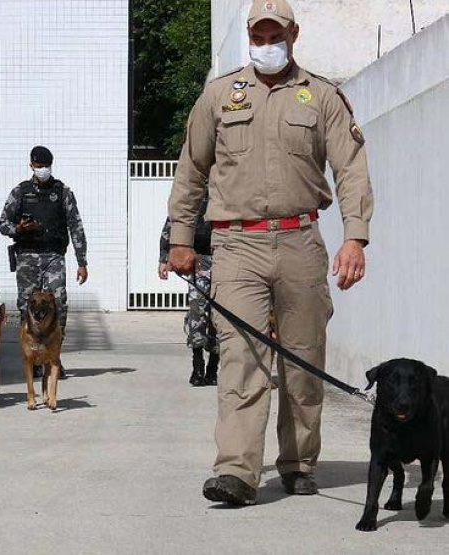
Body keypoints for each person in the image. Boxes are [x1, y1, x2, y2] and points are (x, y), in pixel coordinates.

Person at [166, 0, 374, 505]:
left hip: (301, 240)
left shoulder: (321, 97)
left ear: (293, 34)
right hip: (236, 244)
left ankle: (300, 462)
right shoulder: (218, 97)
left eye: (273, 35)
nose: (265, 44)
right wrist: (178, 237)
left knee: (302, 360)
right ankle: (236, 471)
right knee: (241, 357)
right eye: (257, 36)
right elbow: (191, 169)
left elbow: (350, 168)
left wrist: (355, 235)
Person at [0, 146, 88, 378]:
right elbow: (3, 224)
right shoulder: (20, 192)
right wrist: (18, 228)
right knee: (26, 307)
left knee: (59, 304)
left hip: (54, 256)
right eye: (38, 166)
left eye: (46, 166)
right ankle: (33, 358)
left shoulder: (62, 192)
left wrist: (82, 261)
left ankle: (53, 357)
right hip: (27, 257)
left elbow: (76, 227)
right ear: (31, 165)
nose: (42, 170)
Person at [158, 198, 218, 386]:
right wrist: (164, 257)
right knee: (197, 312)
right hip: (198, 259)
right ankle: (198, 365)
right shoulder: (196, 191)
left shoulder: (227, 186)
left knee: (219, 317)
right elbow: (174, 221)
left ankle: (213, 368)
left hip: (224, 258)